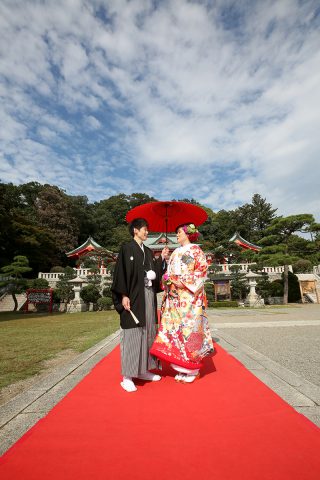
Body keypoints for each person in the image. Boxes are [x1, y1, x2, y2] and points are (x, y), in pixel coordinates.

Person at [150, 223, 214, 383]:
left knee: (190, 329)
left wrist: (182, 282)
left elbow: (201, 272)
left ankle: (192, 368)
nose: (176, 235)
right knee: (175, 329)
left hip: (190, 298)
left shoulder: (196, 250)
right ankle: (182, 367)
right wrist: (167, 279)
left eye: (179, 232)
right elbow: (168, 273)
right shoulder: (175, 252)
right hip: (174, 297)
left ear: (188, 234)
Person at [112, 217, 169, 392]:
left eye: (147, 229)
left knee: (149, 331)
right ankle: (127, 376)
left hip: (148, 295)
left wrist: (162, 260)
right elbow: (121, 273)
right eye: (144, 229)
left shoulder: (150, 251)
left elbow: (156, 274)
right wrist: (123, 295)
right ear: (135, 230)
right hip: (134, 296)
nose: (147, 232)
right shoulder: (127, 248)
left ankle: (143, 370)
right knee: (133, 333)